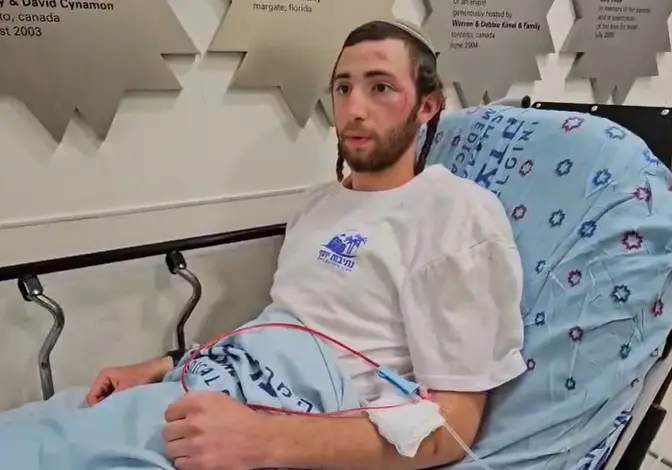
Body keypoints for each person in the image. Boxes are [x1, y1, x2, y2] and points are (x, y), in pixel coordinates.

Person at [85, 19, 526, 470]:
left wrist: (262, 440)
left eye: (380, 88)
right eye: (343, 88)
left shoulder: (456, 214)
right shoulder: (316, 205)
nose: (354, 108)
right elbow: (284, 328)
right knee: (58, 431)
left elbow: (454, 428)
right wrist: (166, 364)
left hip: (284, 424)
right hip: (217, 383)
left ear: (426, 106)